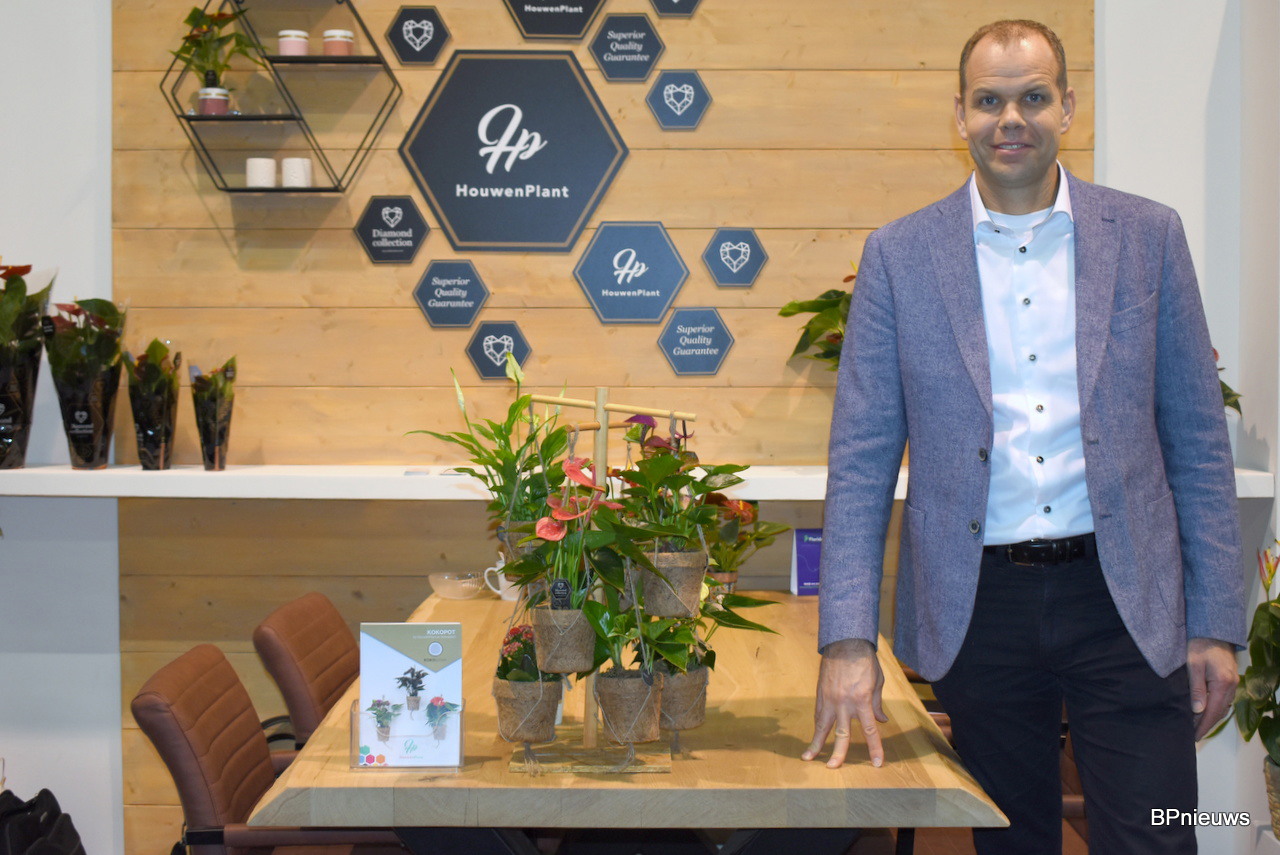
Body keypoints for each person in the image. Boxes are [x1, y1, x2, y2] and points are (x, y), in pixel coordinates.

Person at [801, 19, 1246, 855]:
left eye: (1033, 97)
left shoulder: (1148, 237)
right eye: (990, 101)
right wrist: (848, 640)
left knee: (1157, 834)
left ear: (1067, 107)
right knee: (1012, 842)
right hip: (980, 608)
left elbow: (1196, 440)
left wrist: (1215, 620)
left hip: (1127, 599)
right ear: (960, 115)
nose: (1011, 118)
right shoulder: (899, 256)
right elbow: (860, 462)